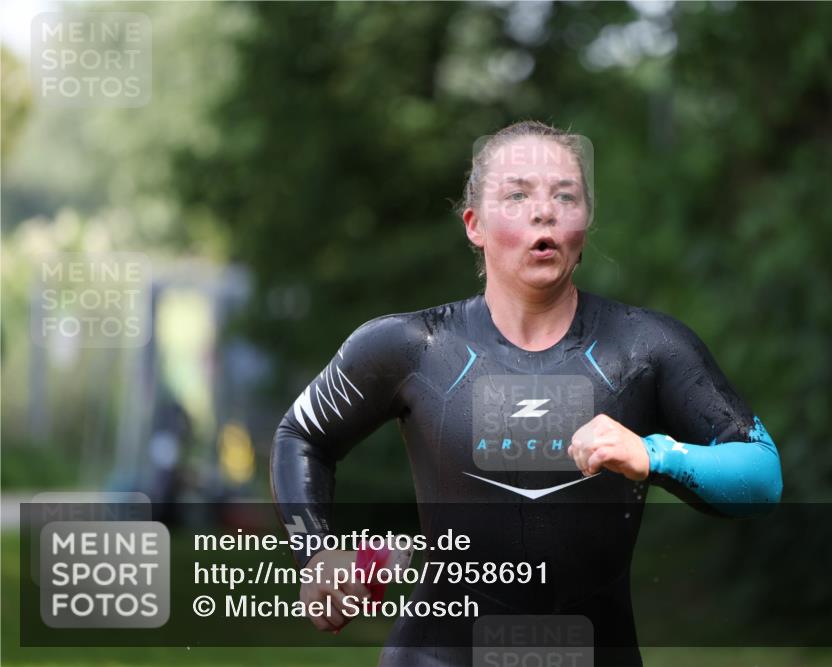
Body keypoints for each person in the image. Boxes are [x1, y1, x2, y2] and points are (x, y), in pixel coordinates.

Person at [270, 120, 783, 666]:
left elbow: (761, 472)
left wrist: (653, 454)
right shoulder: (410, 346)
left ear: (585, 222)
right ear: (475, 224)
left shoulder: (647, 348)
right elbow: (301, 436)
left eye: (566, 195)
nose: (545, 211)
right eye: (517, 195)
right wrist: (316, 552)